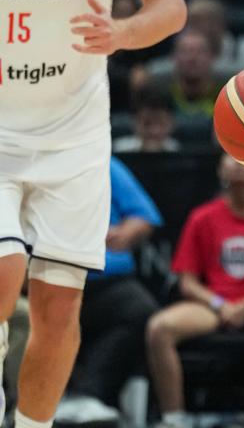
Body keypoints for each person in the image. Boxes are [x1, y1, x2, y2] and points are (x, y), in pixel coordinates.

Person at [0, 0, 186, 428]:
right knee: (3, 269)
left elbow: (170, 6)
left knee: (58, 310)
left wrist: (121, 32)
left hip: (74, 133)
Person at [145, 155, 244, 428]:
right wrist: (219, 304)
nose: (237, 165)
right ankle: (173, 417)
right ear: (220, 170)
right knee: (159, 328)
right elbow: (188, 282)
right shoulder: (202, 217)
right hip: (213, 303)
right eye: (231, 159)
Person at [55, 156, 164, 424]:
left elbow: (144, 216)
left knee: (141, 311)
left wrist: (128, 231)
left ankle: (89, 395)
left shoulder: (104, 163)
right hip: (50, 278)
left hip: (107, 279)